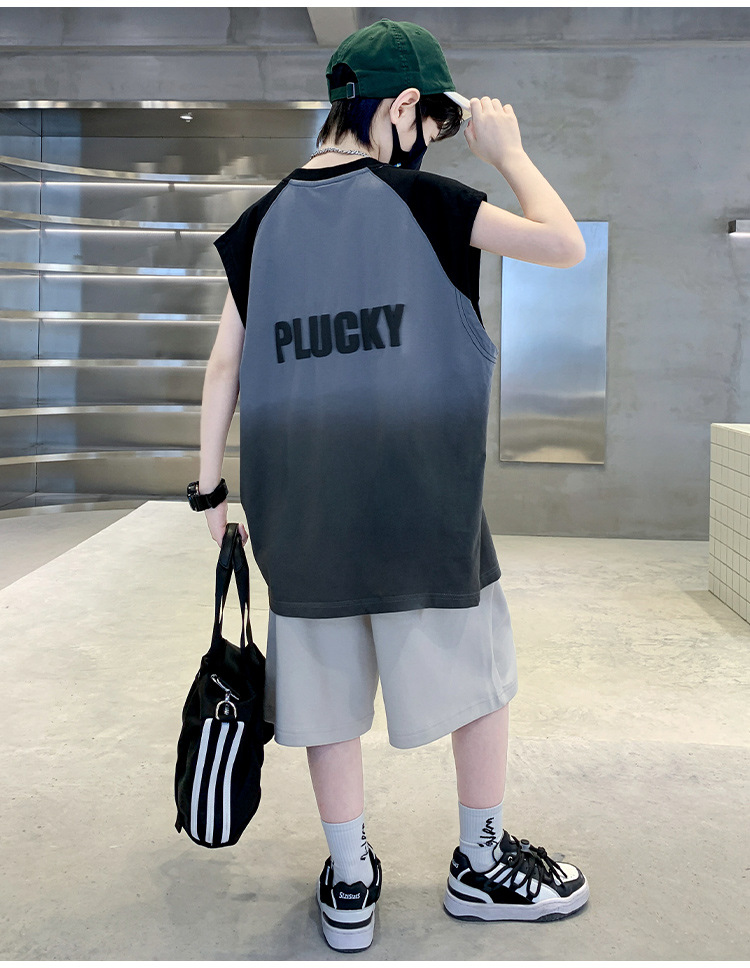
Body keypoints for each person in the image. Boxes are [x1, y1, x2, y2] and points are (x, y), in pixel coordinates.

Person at [190, 17, 589, 954]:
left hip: (302, 514)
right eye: (431, 127)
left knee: (323, 699)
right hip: (424, 505)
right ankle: (481, 863)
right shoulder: (431, 204)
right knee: (478, 684)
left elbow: (223, 367)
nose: (428, 147)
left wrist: (211, 495)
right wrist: (509, 153)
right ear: (402, 105)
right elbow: (564, 244)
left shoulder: (258, 227)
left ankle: (350, 880)